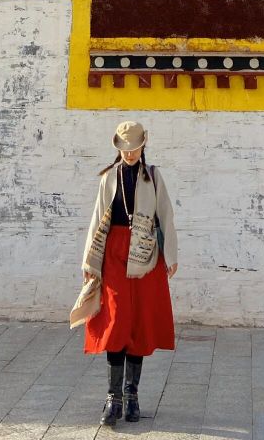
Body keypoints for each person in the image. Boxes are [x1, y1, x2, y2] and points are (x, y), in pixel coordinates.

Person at [82, 120, 177, 426]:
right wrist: (90, 263)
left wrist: (170, 256)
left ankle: (132, 396)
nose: (130, 153)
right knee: (115, 321)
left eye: (135, 148)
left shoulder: (153, 176)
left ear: (143, 145)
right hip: (113, 252)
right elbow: (98, 219)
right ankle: (113, 398)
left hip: (145, 254)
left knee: (139, 323)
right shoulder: (109, 177)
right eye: (125, 148)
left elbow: (166, 215)